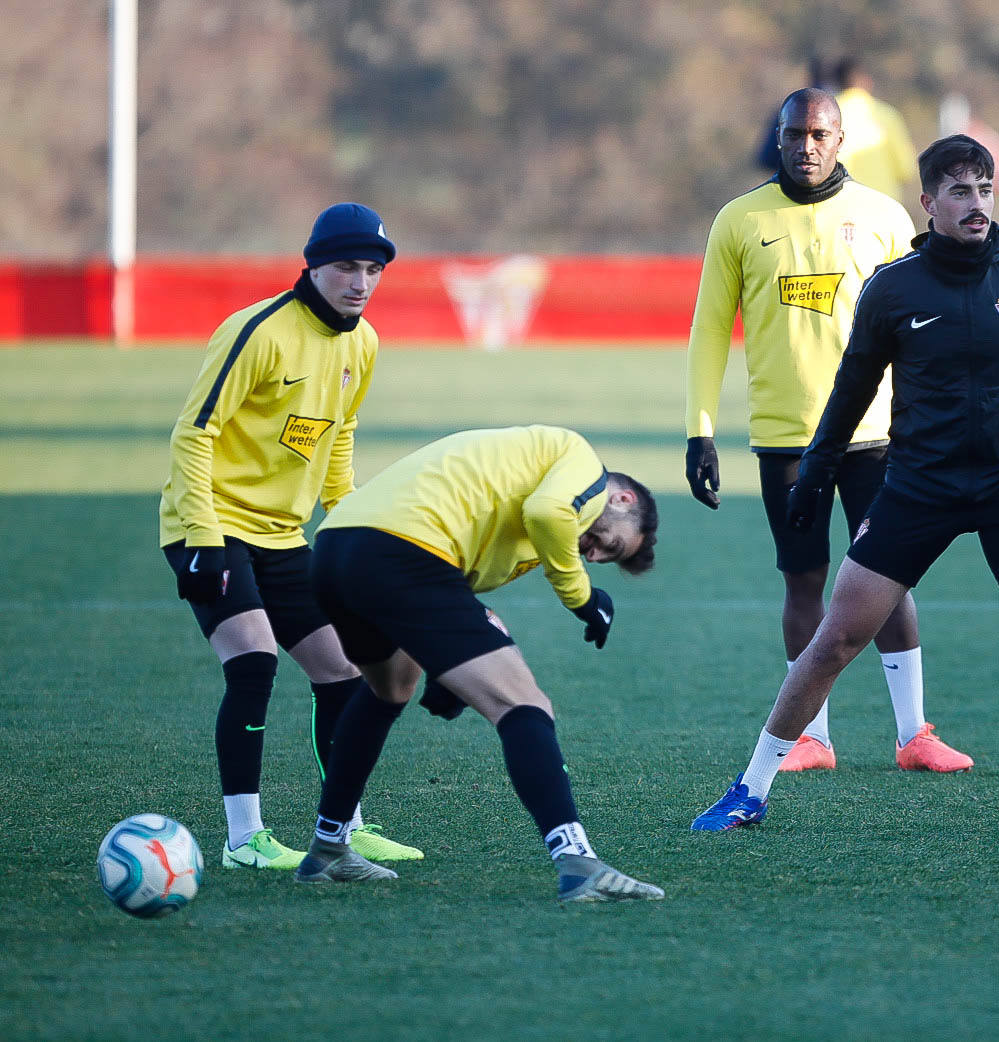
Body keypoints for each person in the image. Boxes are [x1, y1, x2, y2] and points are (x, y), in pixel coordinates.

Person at [692, 135, 999, 837]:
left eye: (983, 190)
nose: (975, 205)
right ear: (928, 203)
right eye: (958, 192)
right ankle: (749, 788)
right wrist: (817, 474)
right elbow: (850, 389)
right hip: (917, 487)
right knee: (833, 640)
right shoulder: (894, 286)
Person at [686, 86, 972, 775]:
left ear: (840, 140)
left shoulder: (881, 215)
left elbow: (923, 323)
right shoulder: (738, 220)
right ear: (777, 138)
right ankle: (811, 738)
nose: (805, 147)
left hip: (878, 437)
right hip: (784, 440)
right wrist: (699, 431)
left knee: (890, 582)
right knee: (803, 580)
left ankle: (913, 735)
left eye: (819, 135)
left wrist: (934, 416)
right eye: (793, 135)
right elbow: (706, 334)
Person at [291, 425, 666, 903]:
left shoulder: (517, 526)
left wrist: (443, 669)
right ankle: (578, 862)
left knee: (390, 688)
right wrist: (582, 596)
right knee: (525, 705)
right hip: (401, 550)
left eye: (598, 559)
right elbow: (547, 511)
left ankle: (327, 848)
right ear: (622, 499)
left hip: (337, 550)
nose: (590, 553)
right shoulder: (583, 465)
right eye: (608, 545)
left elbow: (454, 587)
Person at [160, 203, 422, 870]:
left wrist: (350, 528)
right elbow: (195, 434)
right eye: (345, 267)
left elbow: (338, 443)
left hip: (284, 535)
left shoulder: (361, 343)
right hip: (212, 525)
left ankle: (344, 826)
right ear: (312, 265)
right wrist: (200, 535)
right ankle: (243, 838)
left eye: (372, 269)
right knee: (252, 662)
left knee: (344, 673)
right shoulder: (257, 332)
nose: (359, 282)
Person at [831, 57, 918, 203]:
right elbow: (906, 169)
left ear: (836, 82)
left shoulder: (827, 115)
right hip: (883, 204)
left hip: (840, 204)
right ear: (867, 80)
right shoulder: (887, 116)